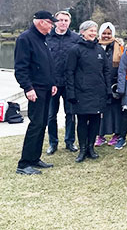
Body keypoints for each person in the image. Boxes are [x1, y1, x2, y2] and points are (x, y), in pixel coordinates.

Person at [14, 11, 59, 175]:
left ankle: (34, 158)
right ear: (41, 22)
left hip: (46, 88)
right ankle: (24, 163)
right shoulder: (25, 39)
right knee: (36, 124)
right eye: (50, 23)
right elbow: (20, 67)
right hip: (35, 89)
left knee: (42, 124)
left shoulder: (43, 39)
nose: (52, 26)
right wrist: (28, 88)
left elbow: (48, 64)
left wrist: (53, 82)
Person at [65, 20, 110, 163]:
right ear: (83, 32)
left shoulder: (100, 50)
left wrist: (108, 89)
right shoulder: (75, 50)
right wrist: (70, 93)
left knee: (96, 120)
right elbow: (69, 72)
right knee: (82, 121)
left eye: (94, 30)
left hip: (98, 91)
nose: (93, 33)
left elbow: (106, 71)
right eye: (90, 30)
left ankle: (91, 147)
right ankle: (83, 149)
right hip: (81, 92)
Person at [45, 10, 81, 155]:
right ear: (55, 21)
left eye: (66, 20)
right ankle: (53, 143)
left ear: (69, 22)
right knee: (51, 115)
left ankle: (70, 141)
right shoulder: (47, 37)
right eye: (60, 20)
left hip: (69, 83)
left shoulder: (75, 38)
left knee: (70, 113)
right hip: (52, 83)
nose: (63, 23)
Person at [94, 22, 124, 147]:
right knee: (101, 110)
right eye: (104, 33)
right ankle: (100, 135)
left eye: (109, 33)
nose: (106, 36)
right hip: (99, 83)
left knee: (115, 110)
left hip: (114, 82)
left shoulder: (118, 46)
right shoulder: (95, 45)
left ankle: (116, 134)